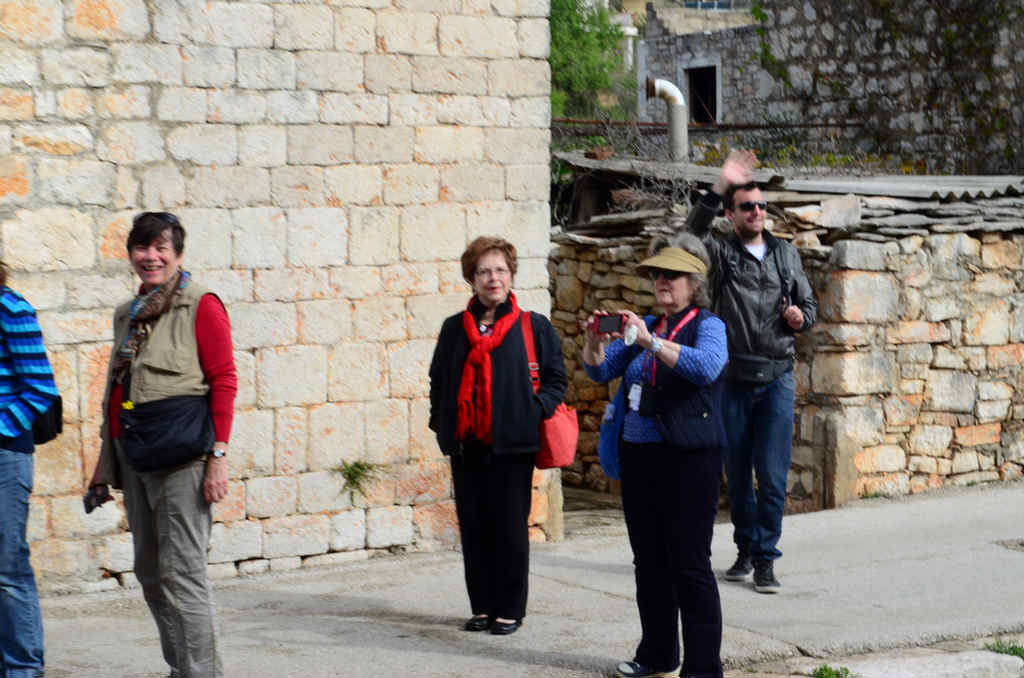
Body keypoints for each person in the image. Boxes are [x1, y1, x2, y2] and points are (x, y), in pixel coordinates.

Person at [88, 212, 237, 678]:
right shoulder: (126, 314)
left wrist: (218, 457)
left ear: (178, 254)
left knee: (184, 575)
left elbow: (223, 381)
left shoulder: (200, 305)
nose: (150, 257)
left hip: (184, 459)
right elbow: (117, 394)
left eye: (160, 248)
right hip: (134, 457)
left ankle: (202, 673)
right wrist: (103, 465)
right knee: (151, 575)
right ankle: (182, 668)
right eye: (141, 248)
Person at [583, 234, 728, 678]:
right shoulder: (647, 324)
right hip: (640, 457)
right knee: (648, 562)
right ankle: (657, 654)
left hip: (689, 458)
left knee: (690, 563)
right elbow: (599, 370)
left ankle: (703, 668)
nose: (662, 281)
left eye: (673, 274)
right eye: (657, 274)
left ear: (695, 282)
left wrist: (650, 343)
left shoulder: (708, 325)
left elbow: (706, 366)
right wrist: (593, 341)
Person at [683, 149, 817, 594]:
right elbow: (689, 237)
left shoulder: (786, 255)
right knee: (738, 476)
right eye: (746, 207)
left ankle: (765, 559)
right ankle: (745, 548)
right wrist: (720, 184)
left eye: (761, 206)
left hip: (777, 377)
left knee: (773, 477)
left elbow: (809, 306)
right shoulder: (722, 253)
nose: (756, 212)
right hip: (733, 379)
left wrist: (800, 317)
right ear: (732, 214)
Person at [428, 236, 567, 636]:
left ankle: (509, 609)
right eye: (484, 271)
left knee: (509, 528)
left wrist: (531, 411)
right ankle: (483, 606)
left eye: (501, 270)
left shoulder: (533, 326)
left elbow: (556, 381)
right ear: (471, 278)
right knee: (475, 528)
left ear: (511, 275)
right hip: (467, 444)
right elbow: (439, 380)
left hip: (513, 444)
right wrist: (442, 422)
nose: (493, 278)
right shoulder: (454, 329)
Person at [0, 262, 59, 678]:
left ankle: (23, 668)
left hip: (5, 454)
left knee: (6, 567)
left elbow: (40, 388)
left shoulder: (10, 307)